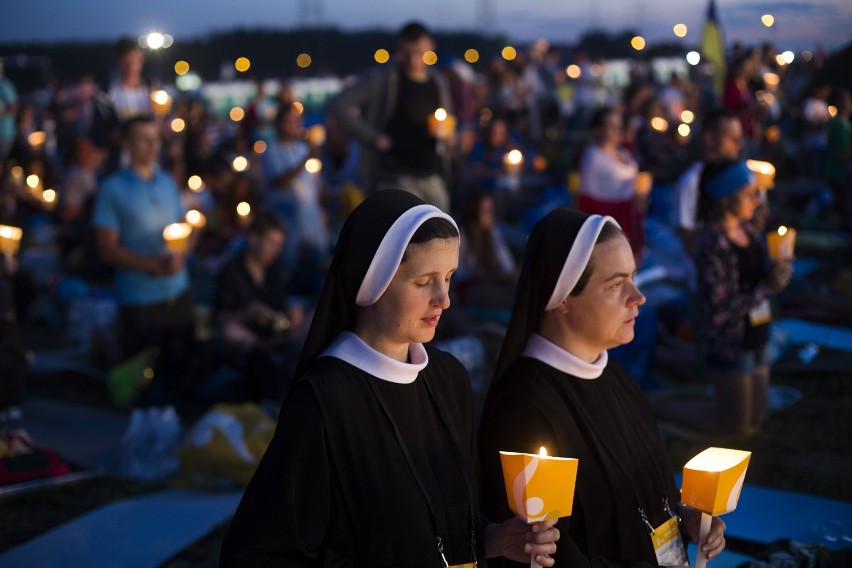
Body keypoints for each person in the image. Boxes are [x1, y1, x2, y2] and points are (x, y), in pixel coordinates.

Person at [220, 189, 559, 566]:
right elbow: (260, 554)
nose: (443, 299)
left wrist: (491, 540)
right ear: (373, 282)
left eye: (448, 277)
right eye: (423, 281)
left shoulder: (448, 379)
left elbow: (443, 526)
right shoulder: (325, 400)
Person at [479, 207, 728, 566]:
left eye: (633, 278)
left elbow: (637, 491)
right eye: (615, 284)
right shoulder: (525, 409)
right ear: (561, 297)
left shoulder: (614, 376)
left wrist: (682, 515)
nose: (637, 297)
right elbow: (545, 553)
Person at [655, 160, 792, 436]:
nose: (757, 198)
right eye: (749, 193)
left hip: (758, 332)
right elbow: (718, 308)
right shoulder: (712, 242)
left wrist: (779, 265)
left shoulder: (749, 230)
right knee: (735, 426)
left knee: (755, 420)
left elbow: (757, 275)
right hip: (730, 343)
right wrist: (768, 288)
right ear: (725, 198)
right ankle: (656, 407)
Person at [93, 114, 196, 386]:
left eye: (156, 139)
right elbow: (107, 250)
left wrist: (188, 243)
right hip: (140, 300)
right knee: (145, 381)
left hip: (178, 291)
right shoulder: (112, 189)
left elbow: (180, 231)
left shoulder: (166, 182)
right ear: (126, 144)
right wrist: (153, 265)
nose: (152, 147)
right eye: (144, 140)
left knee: (182, 372)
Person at [326, 21, 454, 211]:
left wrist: (449, 137)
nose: (413, 60)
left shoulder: (438, 81)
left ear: (431, 47)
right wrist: (373, 137)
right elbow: (337, 104)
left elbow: (448, 121)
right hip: (396, 176)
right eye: (407, 53)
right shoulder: (382, 78)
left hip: (433, 174)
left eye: (419, 52)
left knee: (444, 234)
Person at [213, 210, 305, 402]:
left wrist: (291, 314)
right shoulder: (231, 271)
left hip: (274, 334)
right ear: (253, 238)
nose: (276, 250)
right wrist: (247, 314)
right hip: (246, 341)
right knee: (231, 331)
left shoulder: (274, 270)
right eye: (271, 243)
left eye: (279, 244)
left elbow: (282, 305)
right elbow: (219, 318)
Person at [578, 107, 648, 260]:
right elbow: (586, 196)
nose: (617, 130)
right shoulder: (593, 156)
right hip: (612, 219)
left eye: (618, 125)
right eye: (611, 125)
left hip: (630, 216)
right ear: (598, 129)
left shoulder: (624, 153)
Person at [672, 107, 744, 253]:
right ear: (709, 139)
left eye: (739, 138)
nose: (738, 144)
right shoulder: (692, 182)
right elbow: (687, 235)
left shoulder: (738, 176)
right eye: (731, 137)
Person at [824, 88, 852, 231]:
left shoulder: (842, 124)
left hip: (837, 174)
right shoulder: (840, 125)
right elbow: (841, 155)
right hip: (838, 174)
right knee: (840, 211)